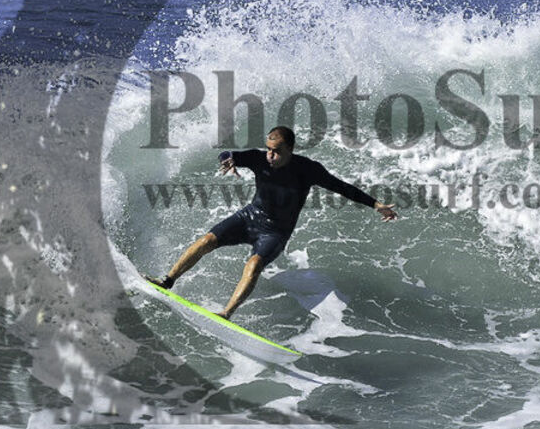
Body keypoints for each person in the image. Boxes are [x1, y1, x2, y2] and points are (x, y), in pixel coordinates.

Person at [144, 126, 397, 320]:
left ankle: (225, 314)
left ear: (290, 150)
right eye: (268, 149)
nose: (270, 155)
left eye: (276, 151)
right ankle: (167, 281)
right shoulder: (258, 158)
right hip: (249, 216)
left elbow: (342, 188)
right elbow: (228, 153)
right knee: (207, 240)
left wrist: (376, 205)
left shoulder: (308, 169)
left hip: (275, 232)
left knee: (253, 264)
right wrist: (228, 159)